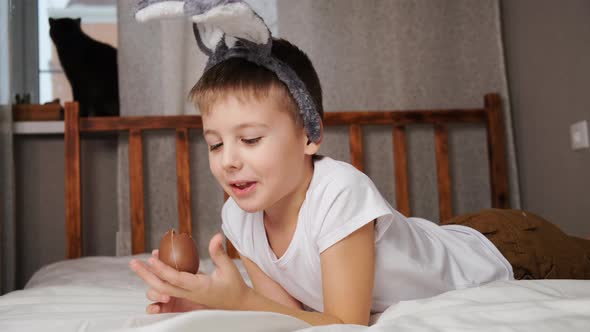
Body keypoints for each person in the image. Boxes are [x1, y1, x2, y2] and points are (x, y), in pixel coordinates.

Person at [129, 1, 590, 327]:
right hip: (449, 235)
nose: (228, 161)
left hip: (508, 250)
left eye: (249, 139)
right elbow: (294, 317)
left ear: (309, 135)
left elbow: (345, 325)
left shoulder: (338, 191)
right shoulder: (240, 217)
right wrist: (211, 305)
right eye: (214, 144)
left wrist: (240, 299)